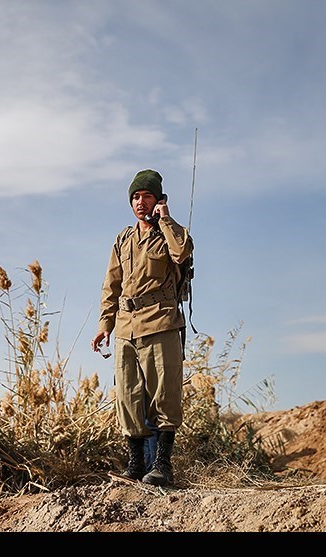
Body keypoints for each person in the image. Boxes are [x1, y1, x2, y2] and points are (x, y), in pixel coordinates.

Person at [91, 169, 193, 487]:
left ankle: (162, 464)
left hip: (160, 321)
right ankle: (136, 465)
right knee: (128, 396)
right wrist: (104, 324)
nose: (140, 201)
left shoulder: (171, 232)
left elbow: (182, 252)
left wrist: (165, 218)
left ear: (158, 198)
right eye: (135, 196)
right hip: (125, 327)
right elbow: (112, 284)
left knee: (165, 395)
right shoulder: (123, 239)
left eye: (146, 195)